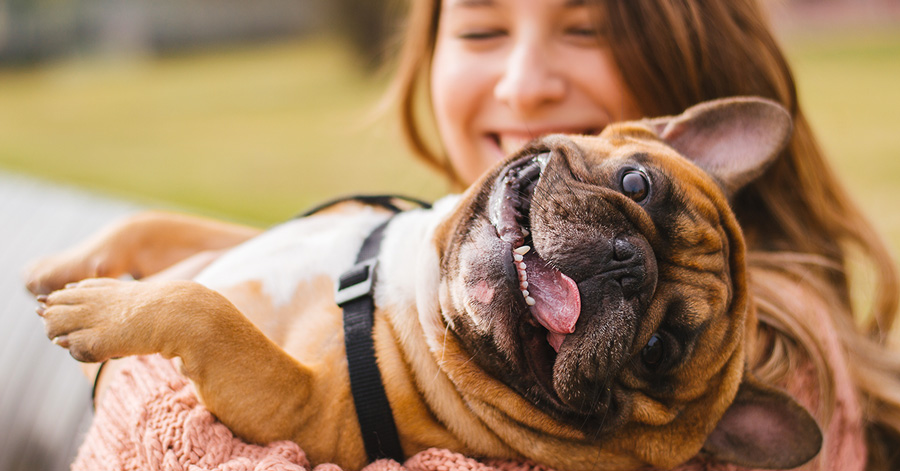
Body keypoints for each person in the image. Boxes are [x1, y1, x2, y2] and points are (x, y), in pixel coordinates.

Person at [28, 0, 900, 470]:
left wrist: (144, 362)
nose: (523, 86)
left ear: (686, 83)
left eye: (667, 342)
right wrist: (153, 245)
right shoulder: (452, 250)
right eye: (481, 28)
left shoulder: (779, 353)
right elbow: (300, 263)